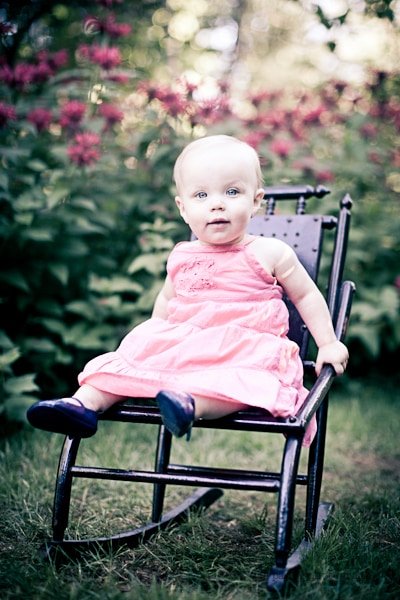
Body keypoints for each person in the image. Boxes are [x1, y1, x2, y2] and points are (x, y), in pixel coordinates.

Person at [27, 135, 349, 446]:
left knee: (235, 385)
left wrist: (328, 343)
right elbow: (167, 299)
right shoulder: (182, 255)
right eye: (201, 196)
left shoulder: (270, 252)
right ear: (183, 209)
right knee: (121, 369)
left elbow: (306, 295)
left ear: (256, 201)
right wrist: (152, 340)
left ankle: (188, 406)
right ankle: (81, 405)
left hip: (243, 354)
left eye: (232, 191)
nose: (217, 205)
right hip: (185, 348)